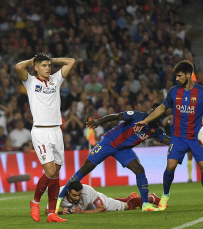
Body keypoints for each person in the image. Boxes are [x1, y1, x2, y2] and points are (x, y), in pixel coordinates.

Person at [57, 103, 171, 213]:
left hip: (123, 150)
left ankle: (145, 204)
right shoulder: (138, 115)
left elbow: (169, 141)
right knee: (85, 169)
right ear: (150, 111)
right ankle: (59, 199)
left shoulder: (155, 130)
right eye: (153, 111)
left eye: (158, 114)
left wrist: (182, 145)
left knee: (139, 169)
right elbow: (117, 116)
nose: (154, 114)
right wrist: (99, 121)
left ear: (160, 116)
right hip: (108, 143)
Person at [135, 60, 203, 210]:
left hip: (195, 137)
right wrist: (146, 121)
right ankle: (165, 196)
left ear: (188, 75)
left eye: (179, 76)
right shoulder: (174, 91)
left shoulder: (202, 93)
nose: (177, 79)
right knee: (170, 165)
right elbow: (162, 108)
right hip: (178, 136)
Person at [15, 53, 76, 222]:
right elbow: (19, 67)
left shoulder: (56, 80)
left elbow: (71, 61)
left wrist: (52, 59)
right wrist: (32, 60)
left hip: (57, 131)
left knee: (55, 174)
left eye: (49, 65)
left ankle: (51, 213)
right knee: (49, 171)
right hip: (41, 132)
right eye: (44, 65)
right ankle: (34, 202)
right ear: (35, 67)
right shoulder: (30, 81)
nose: (48, 68)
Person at [49, 181, 160, 215]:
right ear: (68, 192)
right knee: (114, 200)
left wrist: (82, 212)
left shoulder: (87, 190)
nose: (77, 197)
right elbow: (47, 210)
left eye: (79, 195)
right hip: (93, 202)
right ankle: (130, 197)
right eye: (74, 195)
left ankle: (151, 198)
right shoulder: (58, 193)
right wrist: (59, 212)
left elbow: (103, 209)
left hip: (98, 202)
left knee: (128, 206)